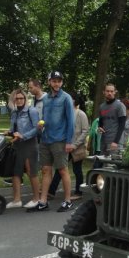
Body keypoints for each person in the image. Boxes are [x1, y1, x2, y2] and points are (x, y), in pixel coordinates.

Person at [37, 71, 76, 212]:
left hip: (60, 140)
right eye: (54, 81)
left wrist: (69, 141)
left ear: (62, 82)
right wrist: (41, 125)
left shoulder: (66, 98)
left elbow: (71, 121)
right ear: (49, 82)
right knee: (46, 170)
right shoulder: (46, 98)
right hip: (46, 139)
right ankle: (43, 201)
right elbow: (45, 118)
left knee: (62, 170)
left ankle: (68, 201)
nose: (57, 83)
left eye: (59, 81)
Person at [48, 93, 89, 201]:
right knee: (60, 169)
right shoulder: (65, 113)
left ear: (75, 101)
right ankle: (51, 192)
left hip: (76, 148)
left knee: (77, 170)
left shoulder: (81, 114)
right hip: (65, 146)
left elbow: (85, 131)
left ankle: (79, 192)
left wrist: (75, 145)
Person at [5, 89, 42, 210]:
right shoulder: (14, 113)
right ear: (13, 100)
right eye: (17, 98)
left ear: (25, 99)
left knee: (32, 172)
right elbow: (15, 129)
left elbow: (37, 129)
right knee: (16, 172)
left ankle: (36, 199)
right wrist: (10, 133)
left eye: (21, 98)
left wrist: (24, 135)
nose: (19, 100)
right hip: (17, 145)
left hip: (30, 144)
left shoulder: (32, 111)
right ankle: (17, 200)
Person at [98, 83, 127, 154]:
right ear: (104, 92)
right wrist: (100, 127)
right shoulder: (102, 106)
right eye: (107, 91)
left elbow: (122, 125)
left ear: (115, 92)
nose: (109, 93)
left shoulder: (120, 105)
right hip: (104, 141)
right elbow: (101, 122)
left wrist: (115, 142)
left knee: (112, 165)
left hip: (115, 142)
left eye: (111, 91)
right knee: (103, 163)